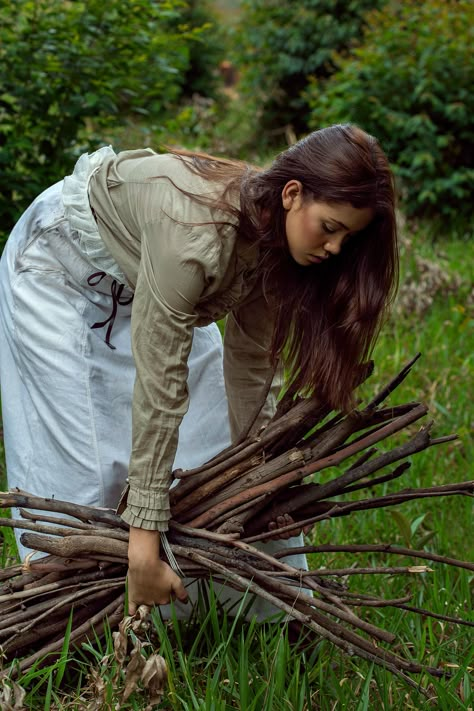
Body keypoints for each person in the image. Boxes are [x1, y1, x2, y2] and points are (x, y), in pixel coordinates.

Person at [0, 123, 398, 617]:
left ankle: (264, 612)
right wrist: (144, 539)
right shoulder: (195, 235)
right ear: (293, 194)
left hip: (154, 284)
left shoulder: (275, 238)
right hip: (59, 272)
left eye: (347, 237)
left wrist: (264, 471)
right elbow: (160, 385)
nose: (335, 248)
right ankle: (75, 627)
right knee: (81, 476)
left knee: (212, 438)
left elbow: (253, 364)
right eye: (330, 227)